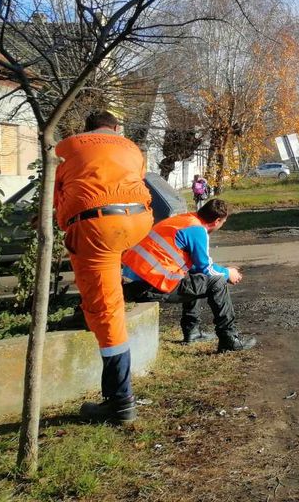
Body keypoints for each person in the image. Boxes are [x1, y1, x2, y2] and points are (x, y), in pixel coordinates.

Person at [54, 110, 154, 424]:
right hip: (138, 219)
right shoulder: (131, 149)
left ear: (86, 129)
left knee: (105, 309)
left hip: (97, 225)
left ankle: (120, 401)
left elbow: (58, 199)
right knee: (108, 289)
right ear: (115, 128)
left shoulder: (69, 149)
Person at [122, 198, 256, 354]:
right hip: (150, 285)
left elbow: (197, 267)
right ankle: (229, 339)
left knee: (196, 276)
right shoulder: (198, 230)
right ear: (217, 221)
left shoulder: (183, 220)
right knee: (217, 281)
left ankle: (192, 332)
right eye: (223, 222)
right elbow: (206, 268)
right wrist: (228, 273)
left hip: (133, 280)